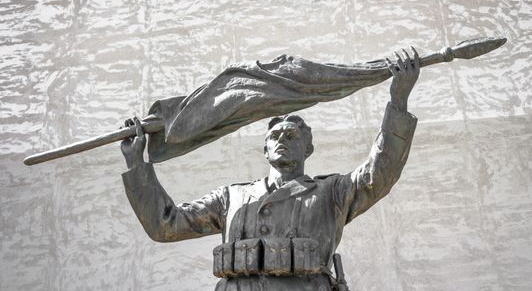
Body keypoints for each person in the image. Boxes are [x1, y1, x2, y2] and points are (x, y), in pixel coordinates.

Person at [120, 48, 420, 291]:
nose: (281, 140)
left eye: (291, 136)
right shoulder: (231, 198)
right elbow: (165, 225)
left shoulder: (333, 192)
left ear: (308, 149)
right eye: (275, 136)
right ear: (264, 150)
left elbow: (380, 172)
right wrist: (137, 164)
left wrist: (398, 103)